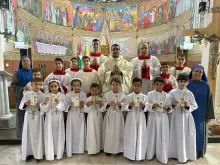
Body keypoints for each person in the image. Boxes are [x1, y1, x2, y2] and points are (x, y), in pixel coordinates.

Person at [168, 73, 198, 163]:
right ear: (177, 82)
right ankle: (174, 154)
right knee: (174, 135)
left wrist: (188, 106)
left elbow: (194, 105)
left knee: (185, 136)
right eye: (180, 81)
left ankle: (185, 154)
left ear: (187, 83)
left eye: (184, 82)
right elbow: (167, 105)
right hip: (175, 117)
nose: (182, 83)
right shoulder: (172, 92)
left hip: (186, 118)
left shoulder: (189, 93)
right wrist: (173, 104)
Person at [187, 64, 215, 158]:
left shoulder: (206, 85)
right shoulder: (187, 83)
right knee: (188, 132)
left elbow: (210, 101)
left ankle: (198, 151)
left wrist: (209, 116)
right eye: (196, 71)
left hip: (201, 115)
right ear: (192, 72)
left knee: (200, 133)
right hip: (189, 113)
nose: (198, 73)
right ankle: (187, 151)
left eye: (200, 72)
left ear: (202, 74)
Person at [146, 77, 171, 164]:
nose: (159, 86)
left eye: (161, 84)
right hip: (153, 118)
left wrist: (167, 108)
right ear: (154, 85)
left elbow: (170, 108)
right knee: (152, 134)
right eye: (157, 84)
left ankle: (162, 155)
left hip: (163, 118)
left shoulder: (167, 95)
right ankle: (150, 154)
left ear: (163, 85)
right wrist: (152, 105)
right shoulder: (150, 94)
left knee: (162, 135)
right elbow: (146, 105)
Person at [19, 78, 44, 162]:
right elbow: (21, 105)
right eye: (35, 84)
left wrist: (39, 106)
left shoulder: (42, 95)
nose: (37, 86)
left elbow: (44, 108)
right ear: (31, 85)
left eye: (39, 84)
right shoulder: (27, 94)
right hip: (29, 117)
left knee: (38, 135)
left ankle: (39, 154)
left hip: (38, 117)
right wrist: (25, 103)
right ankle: (29, 153)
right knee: (28, 135)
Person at [40, 78, 66, 161]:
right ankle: (50, 153)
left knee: (59, 134)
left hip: (58, 117)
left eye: (55, 86)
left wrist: (59, 102)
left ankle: (59, 153)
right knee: (49, 134)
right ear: (49, 87)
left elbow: (64, 108)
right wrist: (44, 102)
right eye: (51, 86)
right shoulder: (46, 96)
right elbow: (43, 109)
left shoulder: (62, 96)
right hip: (49, 118)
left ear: (58, 86)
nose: (53, 88)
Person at [122, 78, 148, 161]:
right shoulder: (128, 96)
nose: (137, 87)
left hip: (140, 117)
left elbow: (147, 108)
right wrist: (129, 105)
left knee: (140, 134)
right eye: (135, 85)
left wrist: (144, 106)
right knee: (131, 135)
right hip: (131, 117)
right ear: (132, 86)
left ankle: (140, 154)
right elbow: (123, 107)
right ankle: (130, 154)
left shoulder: (145, 97)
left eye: (139, 86)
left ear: (141, 87)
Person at [101, 78, 125, 156]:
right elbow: (103, 105)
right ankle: (108, 149)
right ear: (111, 85)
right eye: (113, 84)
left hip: (118, 115)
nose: (115, 86)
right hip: (110, 115)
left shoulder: (122, 95)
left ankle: (118, 149)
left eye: (117, 85)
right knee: (109, 132)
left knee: (118, 132)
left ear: (120, 86)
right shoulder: (107, 94)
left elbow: (125, 105)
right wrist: (108, 104)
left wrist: (120, 104)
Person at [11, 56, 32, 138]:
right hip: (21, 97)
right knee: (21, 115)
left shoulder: (33, 71)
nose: (26, 62)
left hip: (33, 97)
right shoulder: (17, 73)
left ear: (30, 62)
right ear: (21, 63)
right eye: (24, 61)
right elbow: (13, 85)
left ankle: (32, 132)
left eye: (28, 61)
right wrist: (22, 88)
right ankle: (21, 134)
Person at [65, 78, 87, 157]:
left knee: (80, 131)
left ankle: (80, 148)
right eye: (74, 85)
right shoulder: (68, 95)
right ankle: (72, 148)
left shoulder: (83, 94)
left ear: (80, 86)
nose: (76, 87)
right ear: (72, 86)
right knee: (72, 131)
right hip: (71, 115)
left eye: (78, 85)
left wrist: (82, 104)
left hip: (80, 115)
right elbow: (65, 106)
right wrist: (69, 106)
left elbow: (85, 105)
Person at [84, 83, 104, 155]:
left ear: (98, 91)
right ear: (90, 91)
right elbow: (85, 110)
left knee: (99, 131)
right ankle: (92, 149)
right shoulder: (88, 99)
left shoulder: (101, 99)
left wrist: (101, 104)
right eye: (93, 90)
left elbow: (103, 109)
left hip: (99, 116)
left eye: (96, 90)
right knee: (92, 132)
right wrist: (88, 105)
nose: (94, 92)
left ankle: (99, 147)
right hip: (91, 116)